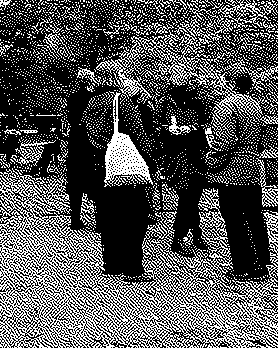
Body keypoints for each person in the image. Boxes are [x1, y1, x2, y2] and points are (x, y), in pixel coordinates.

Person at [80, 60, 155, 282]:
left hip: (98, 164)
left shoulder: (92, 102)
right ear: (115, 77)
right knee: (135, 215)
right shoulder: (121, 101)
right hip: (124, 164)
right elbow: (138, 134)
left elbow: (84, 133)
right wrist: (151, 161)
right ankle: (132, 266)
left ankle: (112, 262)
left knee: (109, 215)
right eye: (120, 74)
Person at [204, 66, 270, 281]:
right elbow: (261, 141)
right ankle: (261, 262)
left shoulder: (225, 106)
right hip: (252, 167)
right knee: (254, 214)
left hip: (232, 170)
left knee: (234, 217)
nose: (221, 85)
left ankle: (243, 266)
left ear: (231, 83)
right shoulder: (255, 105)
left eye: (224, 81)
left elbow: (225, 142)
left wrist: (210, 156)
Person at [159, 67, 209, 257]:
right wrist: (168, 130)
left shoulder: (198, 102)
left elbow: (206, 126)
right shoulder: (164, 103)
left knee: (192, 195)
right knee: (187, 196)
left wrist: (191, 128)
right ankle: (179, 237)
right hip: (175, 156)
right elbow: (156, 127)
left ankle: (195, 232)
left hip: (195, 155)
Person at [123, 78, 162, 225]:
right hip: (142, 145)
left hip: (136, 145)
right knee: (147, 178)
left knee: (144, 179)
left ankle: (145, 209)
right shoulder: (144, 107)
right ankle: (147, 209)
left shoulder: (138, 107)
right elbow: (153, 128)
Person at [64, 69, 96, 230]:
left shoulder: (72, 97)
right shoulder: (93, 98)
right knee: (94, 177)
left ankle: (75, 218)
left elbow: (70, 118)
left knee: (75, 180)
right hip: (90, 140)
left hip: (75, 139)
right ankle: (99, 219)